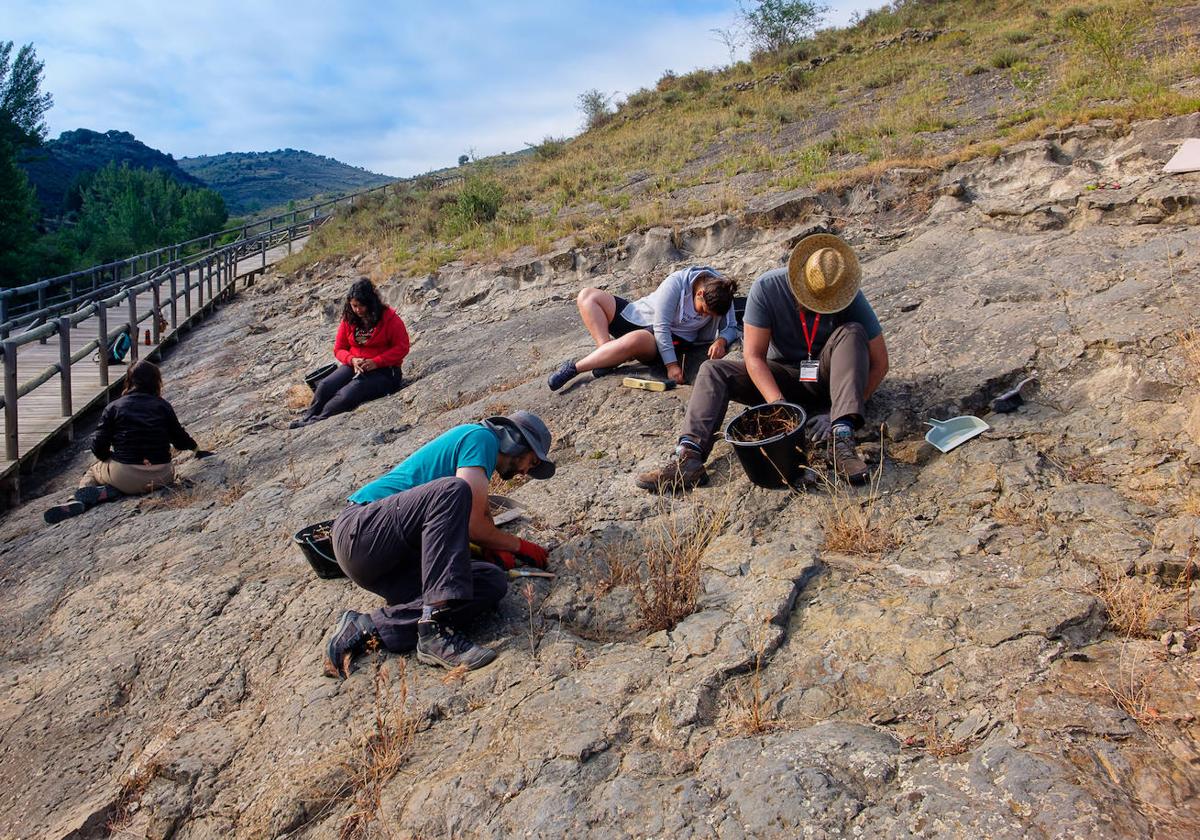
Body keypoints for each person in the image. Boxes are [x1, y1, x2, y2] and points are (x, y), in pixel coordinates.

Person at [635, 234, 888, 491]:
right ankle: (688, 458)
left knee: (853, 331)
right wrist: (781, 408)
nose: (816, 306)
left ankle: (841, 439)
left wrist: (835, 414)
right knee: (712, 371)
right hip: (784, 378)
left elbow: (880, 363)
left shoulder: (845, 294)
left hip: (831, 379)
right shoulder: (767, 288)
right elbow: (754, 356)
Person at [323, 411, 556, 676]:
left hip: (394, 562)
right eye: (532, 461)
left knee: (489, 581)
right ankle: (432, 633)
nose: (526, 472)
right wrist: (519, 546)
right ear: (514, 440)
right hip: (361, 530)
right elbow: (474, 525)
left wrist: (491, 550)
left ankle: (367, 627)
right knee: (453, 490)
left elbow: (476, 524)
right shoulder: (481, 437)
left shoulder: (481, 460)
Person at [43, 360, 210, 524]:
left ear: (129, 381)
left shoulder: (114, 407)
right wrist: (196, 450)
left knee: (94, 471)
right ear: (155, 381)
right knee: (124, 475)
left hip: (124, 475)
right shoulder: (163, 406)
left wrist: (110, 458)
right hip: (162, 476)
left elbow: (98, 446)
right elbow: (180, 439)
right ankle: (112, 490)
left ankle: (76, 499)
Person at [547, 267, 739, 391]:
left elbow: (731, 327)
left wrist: (721, 340)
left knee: (636, 340)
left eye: (709, 316)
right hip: (643, 316)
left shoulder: (723, 295)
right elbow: (661, 323)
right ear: (699, 293)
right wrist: (672, 366)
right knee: (587, 296)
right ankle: (606, 355)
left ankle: (574, 368)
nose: (705, 317)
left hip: (670, 339)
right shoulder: (678, 282)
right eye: (703, 311)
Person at [291, 277, 410, 428]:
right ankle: (308, 416)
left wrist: (377, 362)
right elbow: (339, 349)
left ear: (371, 302)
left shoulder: (390, 318)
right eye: (354, 306)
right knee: (326, 385)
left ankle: (317, 420)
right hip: (355, 364)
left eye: (361, 306)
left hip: (386, 372)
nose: (358, 310)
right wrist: (352, 359)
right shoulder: (349, 319)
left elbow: (402, 347)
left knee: (350, 392)